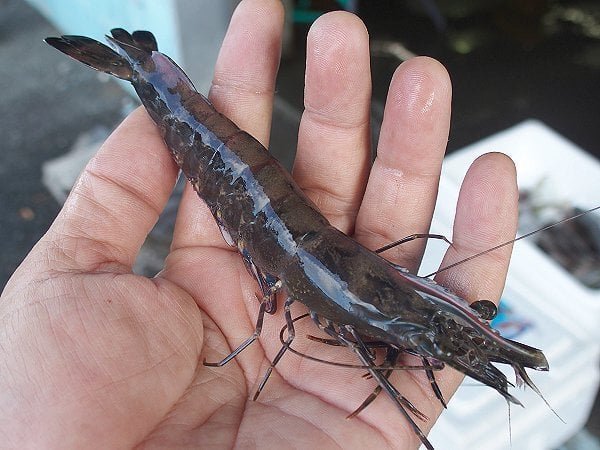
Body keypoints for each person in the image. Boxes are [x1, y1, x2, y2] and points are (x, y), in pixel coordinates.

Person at [0, 0, 518, 447]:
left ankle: (148, 68)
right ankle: (147, 69)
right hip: (243, 190)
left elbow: (379, 292)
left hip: (278, 218)